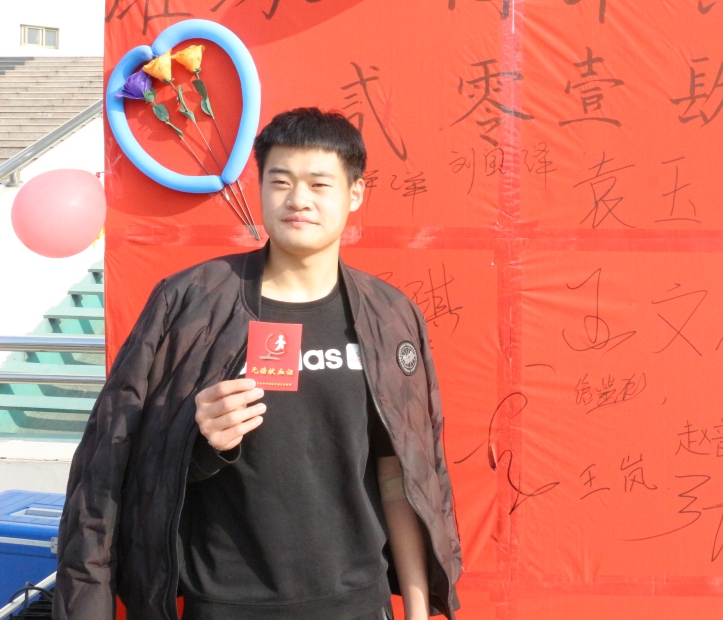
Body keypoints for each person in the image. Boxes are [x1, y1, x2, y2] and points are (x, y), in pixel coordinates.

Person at [54, 108, 462, 620]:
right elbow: (115, 462)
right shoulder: (189, 304)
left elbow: (398, 474)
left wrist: (418, 610)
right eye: (281, 182)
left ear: (355, 193)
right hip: (224, 604)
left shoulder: (390, 315)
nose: (299, 199)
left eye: (319, 184)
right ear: (261, 187)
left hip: (357, 602)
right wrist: (199, 439)